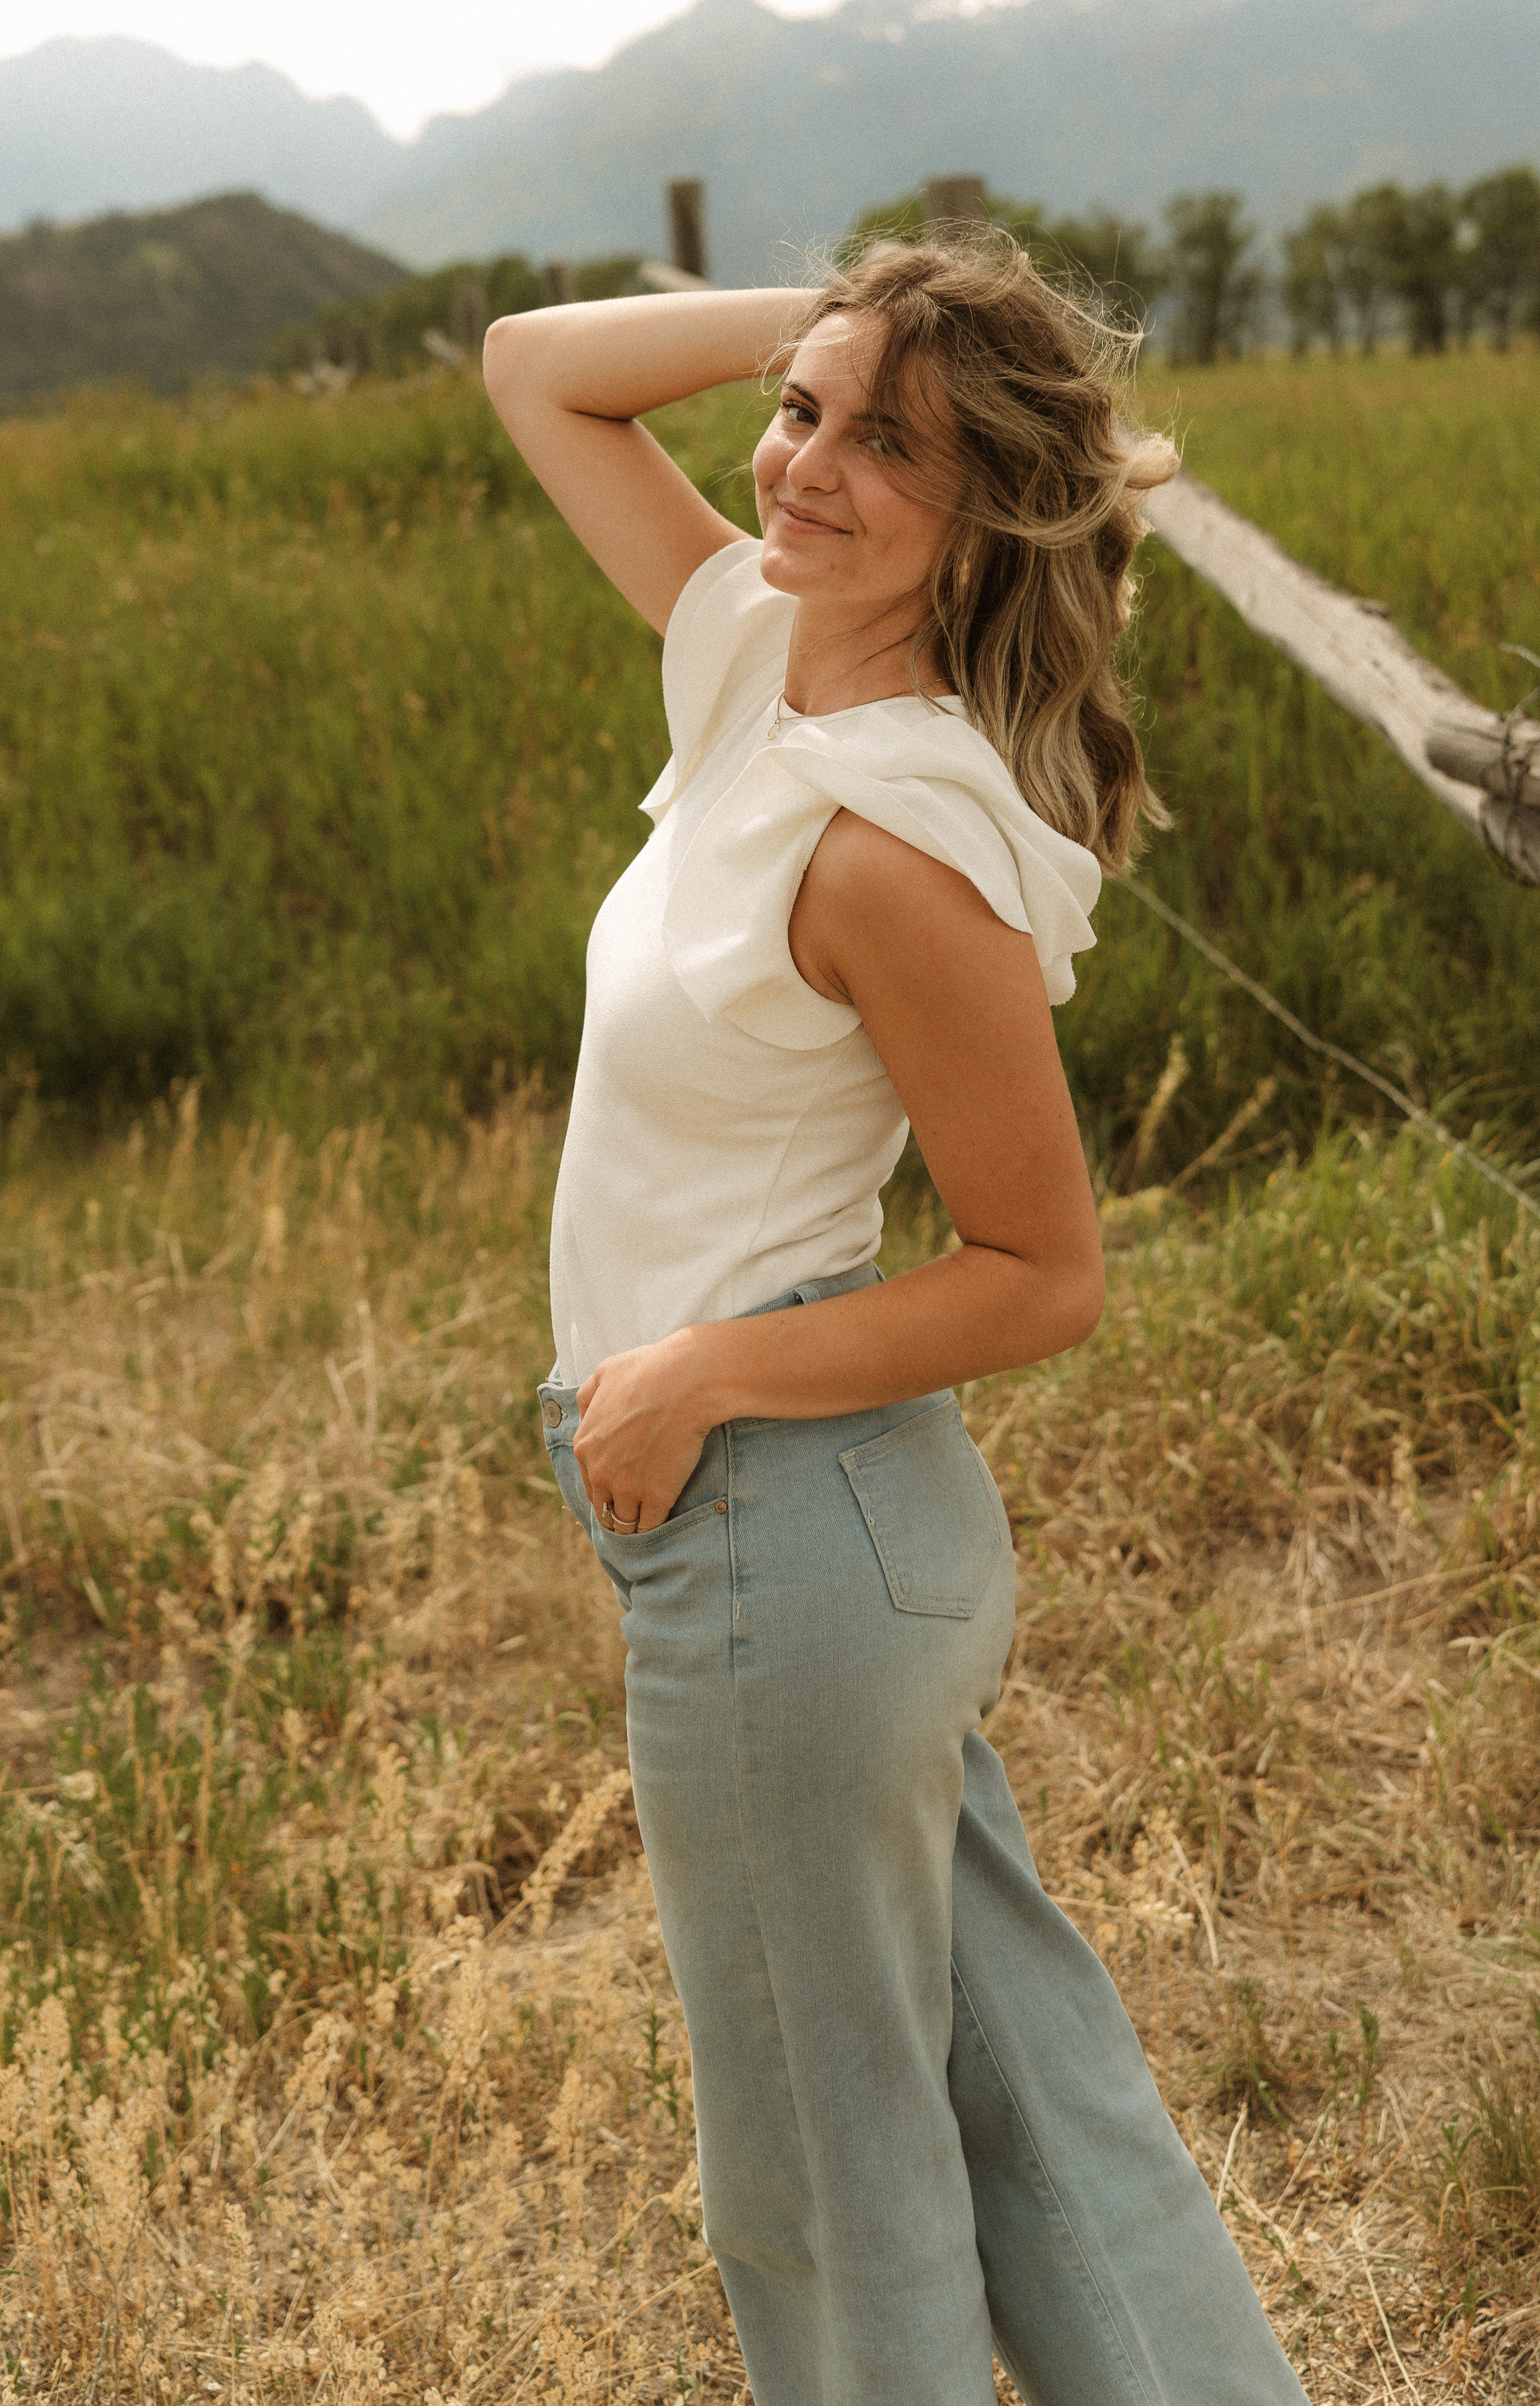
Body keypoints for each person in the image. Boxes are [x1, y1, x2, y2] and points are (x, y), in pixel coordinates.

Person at [484, 235, 1309, 2406]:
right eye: (798, 415)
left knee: (826, 2189)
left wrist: (699, 1369)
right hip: (819, 1547)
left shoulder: (887, 843)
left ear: (990, 511)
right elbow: (533, 371)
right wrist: (856, 323)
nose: (807, 468)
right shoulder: (757, 654)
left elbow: (1044, 1271)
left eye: (890, 448)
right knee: (1039, 2114)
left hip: (787, 1543)